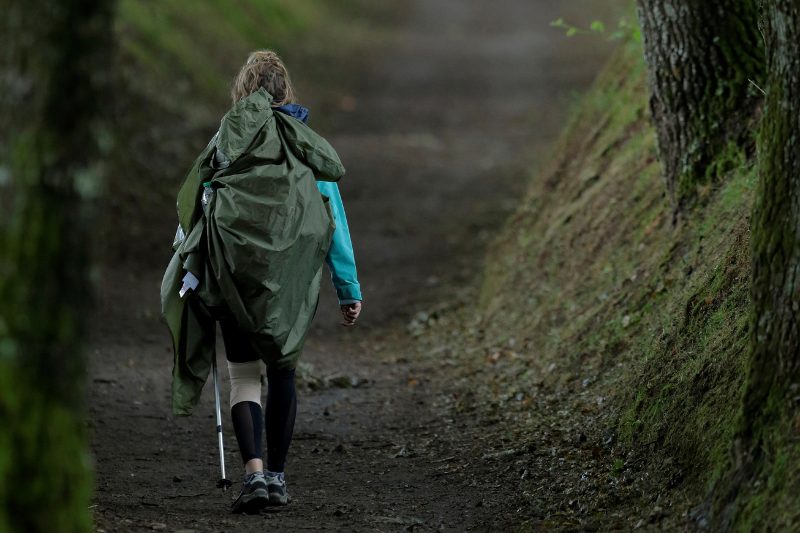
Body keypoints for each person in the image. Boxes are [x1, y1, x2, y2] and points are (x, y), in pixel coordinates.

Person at [160, 50, 362, 514]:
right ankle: (277, 477)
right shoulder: (304, 143)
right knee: (283, 372)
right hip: (290, 285)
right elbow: (332, 218)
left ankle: (252, 473)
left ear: (243, 92)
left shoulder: (226, 141)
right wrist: (347, 287)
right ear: (285, 90)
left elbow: (195, 205)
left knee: (244, 376)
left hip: (233, 279)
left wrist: (189, 264)